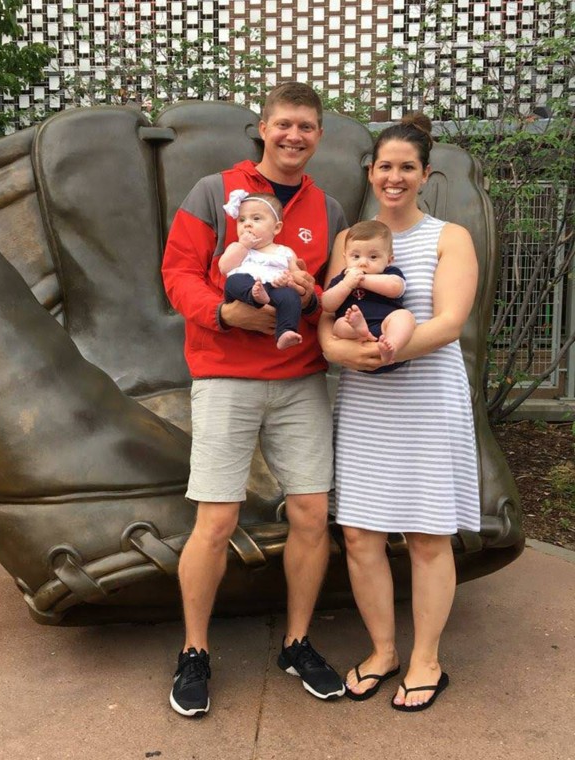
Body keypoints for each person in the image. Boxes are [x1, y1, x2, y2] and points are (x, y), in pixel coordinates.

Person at [161, 81, 348, 717]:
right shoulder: (215, 192)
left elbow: (335, 289)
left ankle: (296, 642)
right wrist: (222, 313)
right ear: (262, 128)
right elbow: (177, 272)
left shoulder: (329, 209)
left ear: (318, 135)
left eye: (307, 126)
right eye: (283, 124)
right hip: (225, 375)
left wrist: (315, 295)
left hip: (300, 379)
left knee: (310, 515)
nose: (294, 136)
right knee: (215, 521)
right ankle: (194, 651)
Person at [318, 113, 481, 711]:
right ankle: (384, 650)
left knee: (426, 535)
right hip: (363, 401)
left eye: (406, 167)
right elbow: (326, 321)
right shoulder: (350, 239)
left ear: (424, 174)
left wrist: (383, 352)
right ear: (371, 171)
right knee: (360, 534)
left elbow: (448, 322)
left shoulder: (448, 237)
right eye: (384, 166)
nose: (394, 176)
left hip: (425, 399)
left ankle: (426, 660)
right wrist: (342, 351)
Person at [321, 220, 416, 371]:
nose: (363, 263)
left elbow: (395, 288)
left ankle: (391, 347)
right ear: (345, 257)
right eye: (356, 256)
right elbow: (327, 304)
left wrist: (362, 281)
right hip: (355, 337)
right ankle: (361, 330)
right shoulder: (342, 280)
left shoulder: (390, 273)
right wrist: (346, 285)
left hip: (385, 328)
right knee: (339, 325)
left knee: (405, 316)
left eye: (373, 257)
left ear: (389, 260)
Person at [220, 190, 304, 350]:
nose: (247, 224)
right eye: (241, 220)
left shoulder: (285, 252)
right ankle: (254, 295)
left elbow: (296, 275)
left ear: (276, 228)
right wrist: (244, 246)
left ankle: (286, 331)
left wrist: (288, 280)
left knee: (290, 297)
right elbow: (225, 268)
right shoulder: (238, 247)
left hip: (274, 288)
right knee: (233, 281)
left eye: (256, 219)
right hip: (246, 288)